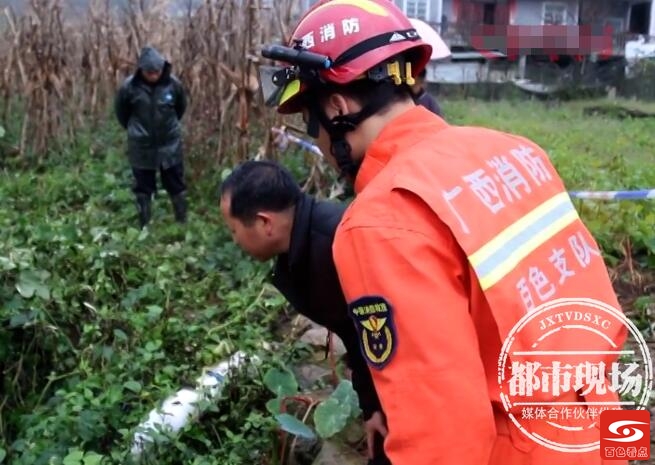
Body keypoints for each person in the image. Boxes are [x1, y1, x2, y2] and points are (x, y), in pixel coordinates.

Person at [259, 1, 629, 464]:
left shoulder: (381, 220)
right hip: (602, 422)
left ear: (337, 108)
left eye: (312, 129)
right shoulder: (515, 150)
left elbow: (443, 438)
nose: (321, 148)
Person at [219, 160, 391, 465]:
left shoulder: (341, 241)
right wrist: (373, 406)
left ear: (264, 223)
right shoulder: (301, 250)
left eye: (233, 230)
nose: (233, 241)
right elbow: (355, 332)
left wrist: (391, 409)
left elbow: (390, 333)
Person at [115, 45, 188, 228]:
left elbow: (181, 108)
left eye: (157, 71)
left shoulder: (173, 85)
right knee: (143, 187)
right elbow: (122, 113)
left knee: (176, 184)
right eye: (150, 72)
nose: (154, 74)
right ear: (142, 71)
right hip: (142, 146)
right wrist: (137, 131)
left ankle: (182, 223)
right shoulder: (129, 88)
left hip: (169, 144)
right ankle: (144, 224)